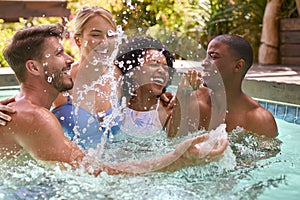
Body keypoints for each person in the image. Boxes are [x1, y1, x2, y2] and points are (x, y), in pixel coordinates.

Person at [0, 24, 228, 175]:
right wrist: (180, 159)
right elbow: (99, 173)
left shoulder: (24, 109)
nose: (69, 59)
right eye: (59, 53)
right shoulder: (36, 117)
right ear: (33, 67)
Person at [169, 34, 278, 138]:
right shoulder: (191, 99)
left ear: (238, 66)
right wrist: (181, 98)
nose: (204, 63)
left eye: (213, 57)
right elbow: (171, 142)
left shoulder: (260, 121)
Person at [51, 6, 122, 147]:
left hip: (115, 163)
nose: (105, 42)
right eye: (96, 35)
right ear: (78, 40)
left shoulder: (116, 75)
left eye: (111, 35)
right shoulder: (60, 80)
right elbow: (26, 107)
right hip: (69, 167)